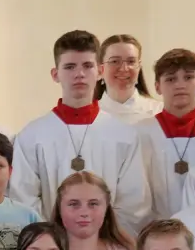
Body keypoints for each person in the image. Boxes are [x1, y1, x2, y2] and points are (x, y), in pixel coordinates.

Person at [11, 30, 151, 235]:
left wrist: (101, 242)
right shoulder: (32, 136)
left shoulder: (124, 136)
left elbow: (134, 203)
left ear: (100, 70)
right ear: (55, 74)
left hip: (106, 248)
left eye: (87, 65)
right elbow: (24, 200)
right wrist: (53, 241)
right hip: (52, 249)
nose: (79, 74)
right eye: (69, 66)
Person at [139, 49, 195, 222]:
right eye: (170, 79)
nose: (180, 85)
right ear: (157, 87)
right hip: (158, 228)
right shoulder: (141, 132)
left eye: (189, 77)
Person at [94, 34, 160, 123]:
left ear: (139, 67)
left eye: (131, 61)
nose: (124, 69)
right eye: (115, 61)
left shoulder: (159, 112)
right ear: (100, 69)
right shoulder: (86, 116)